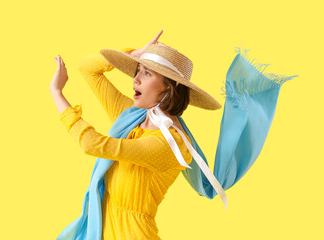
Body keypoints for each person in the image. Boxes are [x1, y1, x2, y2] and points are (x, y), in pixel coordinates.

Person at [50, 30, 298, 240]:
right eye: (137, 70)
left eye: (147, 73)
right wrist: (133, 54)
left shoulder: (172, 143)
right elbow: (88, 69)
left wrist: (57, 93)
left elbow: (92, 145)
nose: (135, 79)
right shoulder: (130, 116)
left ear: (168, 87)